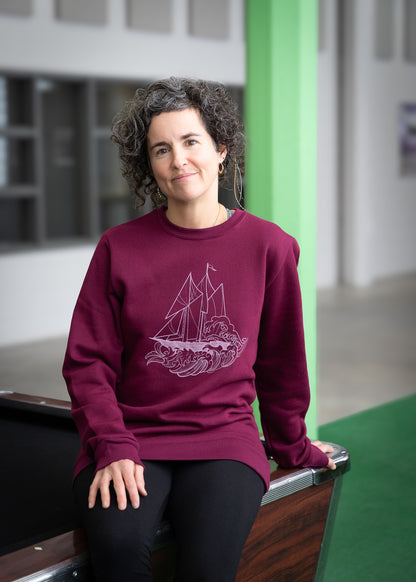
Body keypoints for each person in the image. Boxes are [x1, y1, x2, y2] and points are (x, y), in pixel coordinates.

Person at [63, 77, 336, 582]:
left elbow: (281, 363)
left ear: (221, 149)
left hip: (224, 438)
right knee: (119, 551)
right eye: (161, 149)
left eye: (191, 141)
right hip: (132, 436)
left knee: (207, 569)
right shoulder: (118, 247)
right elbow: (87, 363)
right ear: (149, 165)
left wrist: (293, 445)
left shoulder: (270, 247)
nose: (178, 160)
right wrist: (111, 444)